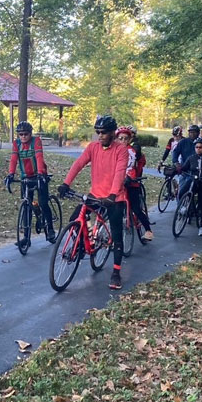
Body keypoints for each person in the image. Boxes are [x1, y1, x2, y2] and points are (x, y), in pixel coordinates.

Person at [57, 115, 129, 290]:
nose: (100, 135)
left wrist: (113, 195)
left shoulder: (121, 150)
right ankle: (83, 244)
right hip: (96, 194)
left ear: (113, 133)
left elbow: (120, 173)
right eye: (98, 132)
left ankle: (116, 272)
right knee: (75, 218)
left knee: (117, 236)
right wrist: (66, 183)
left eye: (103, 132)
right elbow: (78, 164)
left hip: (114, 198)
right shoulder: (93, 147)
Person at [5, 121, 56, 244]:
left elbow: (39, 157)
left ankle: (50, 229)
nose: (23, 136)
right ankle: (26, 238)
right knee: (27, 206)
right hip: (26, 177)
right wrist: (11, 174)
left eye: (26, 134)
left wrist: (40, 173)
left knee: (43, 203)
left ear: (30, 133)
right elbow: (13, 160)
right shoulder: (16, 144)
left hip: (39, 175)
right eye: (20, 134)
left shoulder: (36, 141)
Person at [116, 126, 153, 241]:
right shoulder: (114, 150)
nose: (123, 141)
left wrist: (128, 177)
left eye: (126, 138)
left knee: (136, 208)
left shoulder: (131, 151)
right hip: (117, 183)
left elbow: (130, 167)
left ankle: (148, 231)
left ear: (130, 139)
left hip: (130, 183)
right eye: (120, 138)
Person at [172, 125, 200, 200]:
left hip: (197, 171)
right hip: (184, 170)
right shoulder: (183, 142)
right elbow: (175, 152)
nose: (192, 134)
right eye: (190, 132)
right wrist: (176, 162)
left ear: (198, 133)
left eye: (194, 132)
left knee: (197, 191)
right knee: (181, 191)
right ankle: (180, 206)